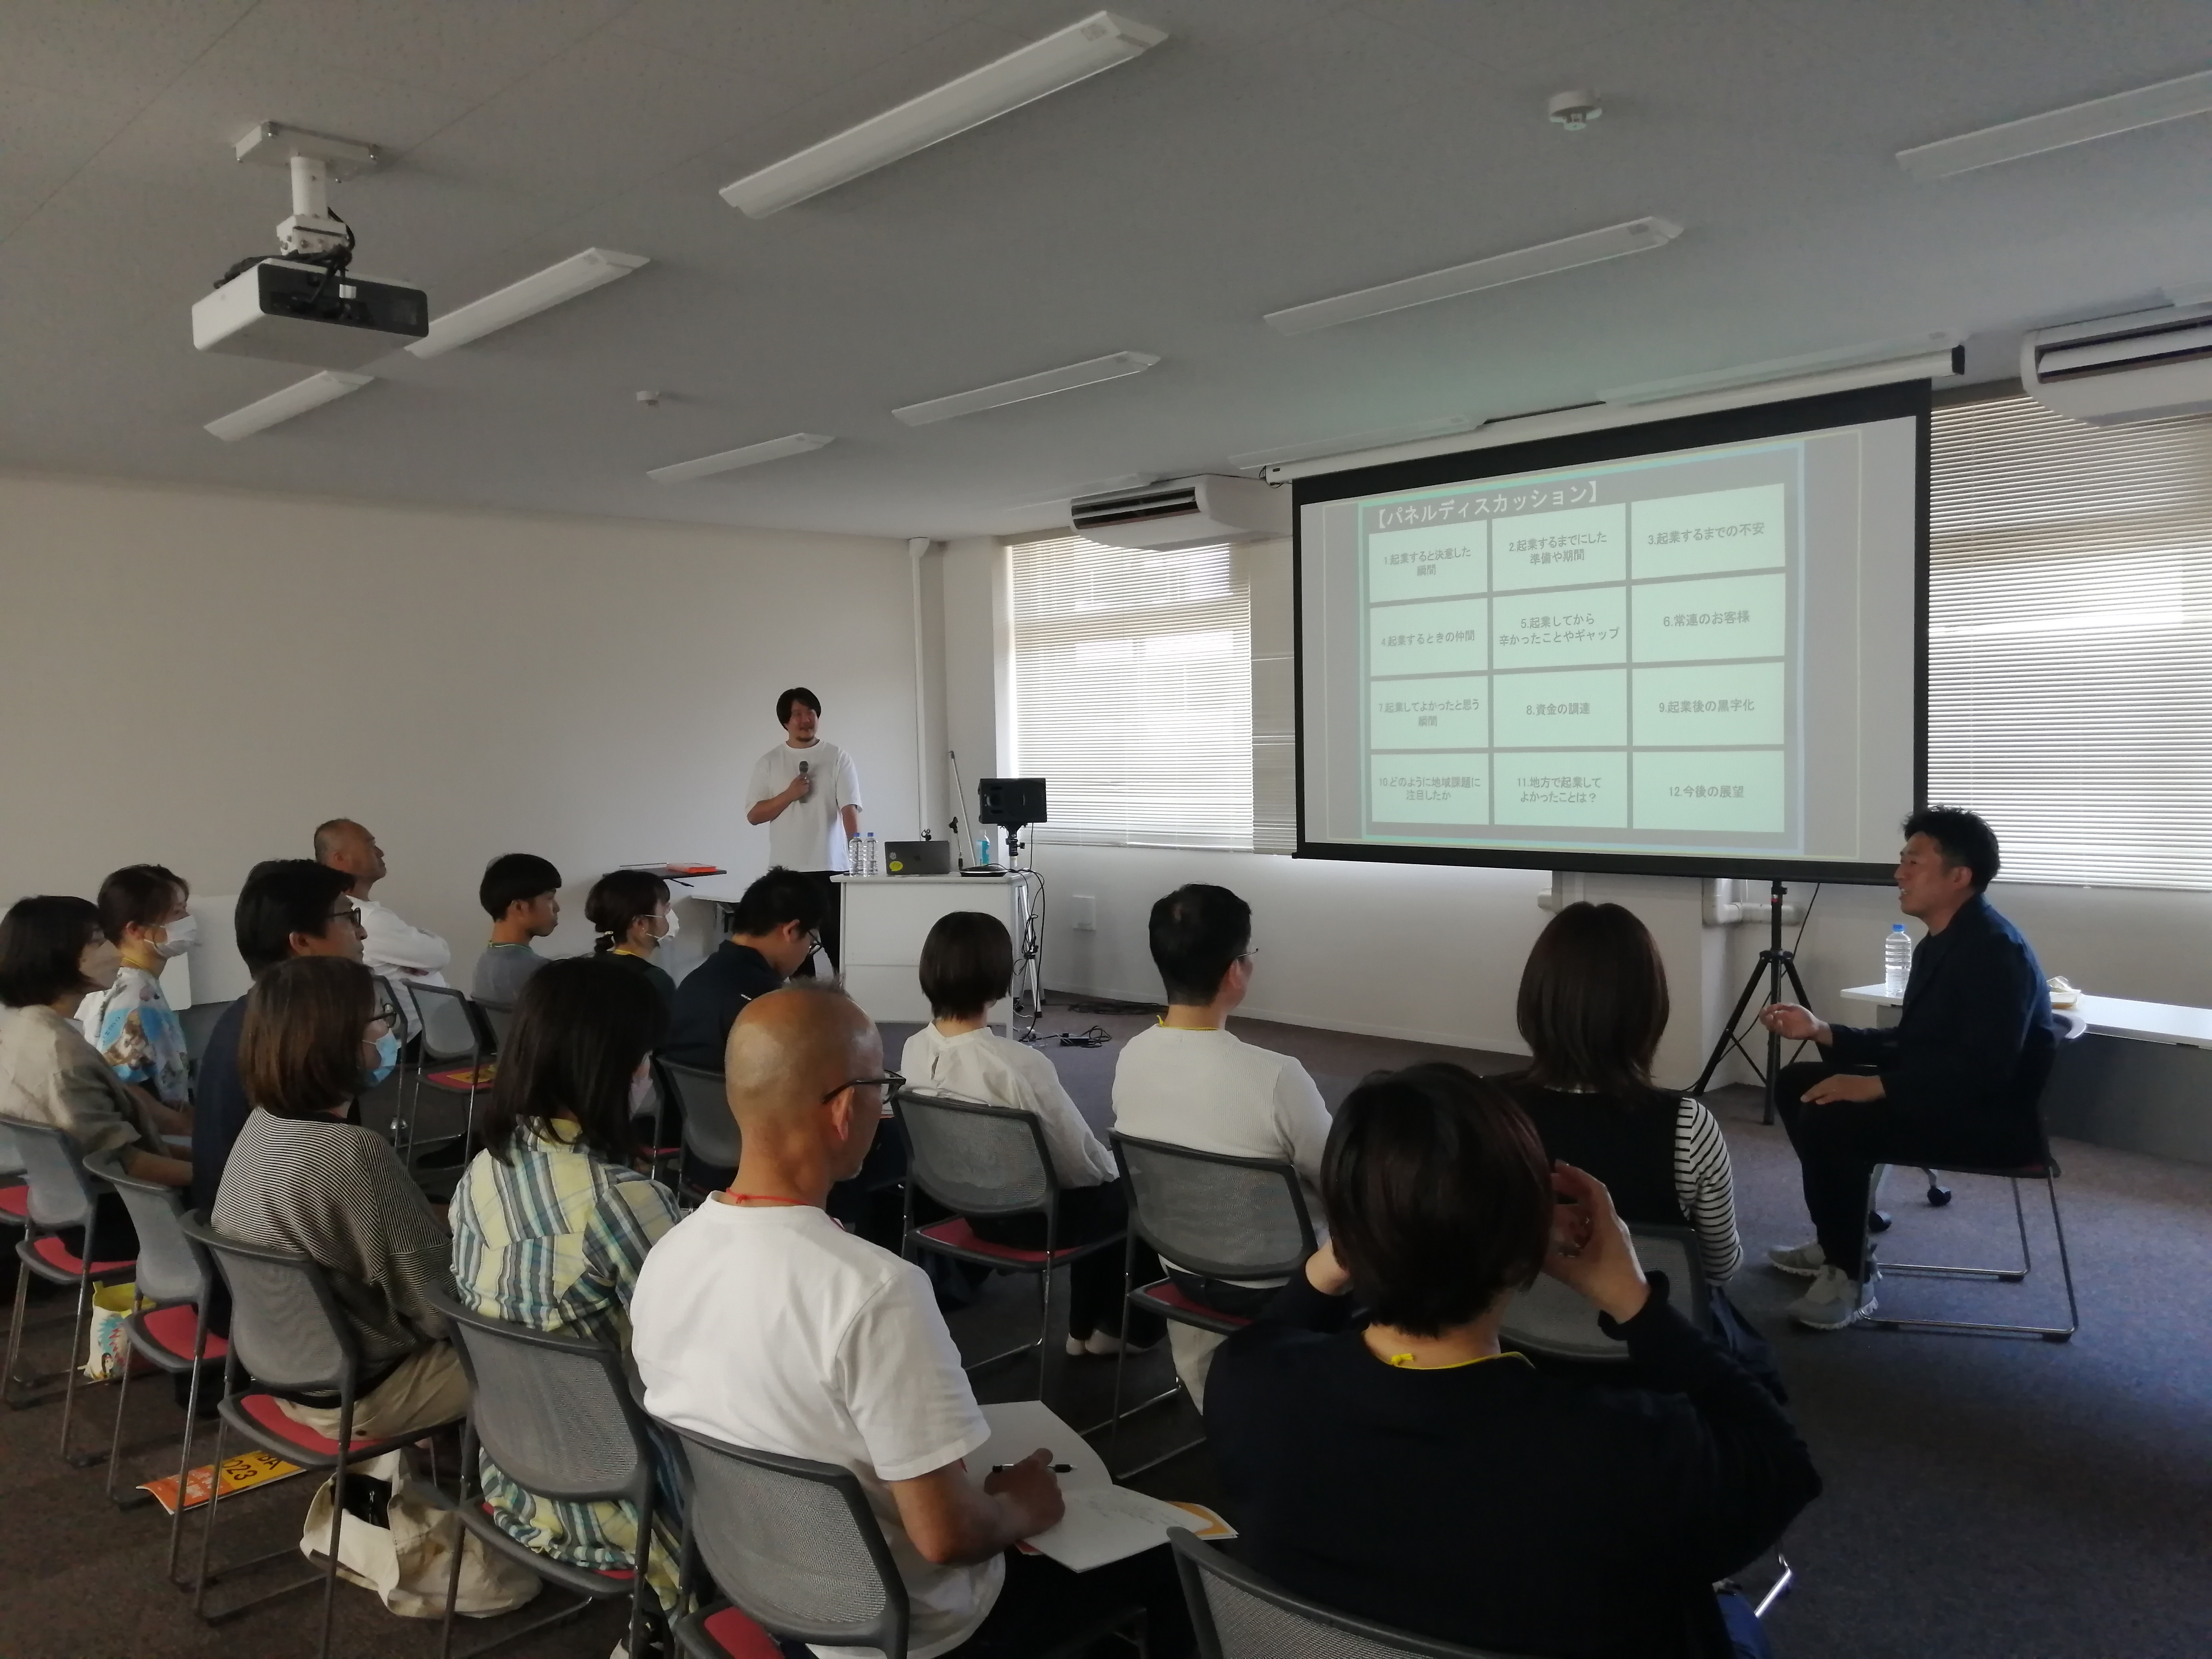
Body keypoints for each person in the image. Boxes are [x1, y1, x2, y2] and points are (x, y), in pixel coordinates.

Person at [631, 985, 1192, 1659]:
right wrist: (1022, 1505)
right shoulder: (875, 1291)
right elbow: (948, 1538)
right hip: (913, 1633)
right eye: (881, 1086)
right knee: (1177, 1562)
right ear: (845, 1109)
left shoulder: (668, 1255)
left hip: (767, 1590)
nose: (884, 1102)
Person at [1207, 1064, 1820, 1659]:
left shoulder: (1248, 1387)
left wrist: (1360, 1235)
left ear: (1345, 1232)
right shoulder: (1623, 1451)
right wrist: (1635, 1303)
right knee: (1730, 1616)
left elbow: (1273, 1334)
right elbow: (1783, 1463)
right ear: (1526, 1249)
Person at [1760, 806, 2062, 1331]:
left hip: (1987, 1122)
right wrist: (1823, 1031)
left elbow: (1985, 1072)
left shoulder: (1996, 952)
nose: (1898, 874)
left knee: (1833, 1116)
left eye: (1913, 863)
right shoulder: (1942, 941)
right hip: (1943, 1097)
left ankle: (1849, 1273)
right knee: (1797, 1084)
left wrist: (1875, 1086)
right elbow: (1912, 1043)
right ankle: (1840, 1239)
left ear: (1958, 876)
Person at [449, 956, 680, 1597]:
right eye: (644, 1057)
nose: (648, 1072)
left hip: (515, 1474)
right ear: (613, 1067)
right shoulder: (621, 1199)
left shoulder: (481, 1173)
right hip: (626, 1500)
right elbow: (703, 1361)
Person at [212, 956, 462, 1441]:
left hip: (287, 1376)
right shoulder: (351, 1152)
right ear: (336, 1041)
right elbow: (439, 1309)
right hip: (367, 1394)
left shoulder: (262, 1124)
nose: (388, 1031)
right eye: (379, 1018)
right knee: (570, 1352)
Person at [901, 911, 1159, 1355]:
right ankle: (1112, 1330)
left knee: (1109, 1190)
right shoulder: (1017, 1064)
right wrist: (1117, 1168)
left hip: (969, 1208)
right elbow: (1078, 1165)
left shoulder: (913, 1049)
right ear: (998, 978)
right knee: (1136, 1187)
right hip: (1035, 1219)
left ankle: (1089, 1328)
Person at [1110, 884, 1331, 1402]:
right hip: (1279, 1284)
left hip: (1180, 1265)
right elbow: (1341, 1181)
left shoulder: (1130, 1056)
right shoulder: (1277, 1077)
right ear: (1236, 972)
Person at [1500, 903, 1743, 1285]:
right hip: (1645, 1321)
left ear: (1535, 998)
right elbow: (1719, 1267)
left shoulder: (1480, 1108)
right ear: (1650, 1009)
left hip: (1511, 1320)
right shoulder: (1688, 1126)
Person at [0, 897, 191, 1259]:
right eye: (99, 941)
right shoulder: (63, 1056)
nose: (114, 951)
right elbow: (127, 1164)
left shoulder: (20, 1028)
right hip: (121, 1220)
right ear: (60, 956)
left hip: (70, 1207)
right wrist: (223, 1176)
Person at [190, 860, 366, 1215]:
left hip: (234, 1229)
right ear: (302, 942)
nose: (361, 933)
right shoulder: (301, 1043)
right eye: (349, 917)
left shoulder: (246, 1015)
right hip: (276, 1234)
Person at [743, 687, 861, 976]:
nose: (806, 720)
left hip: (831, 868)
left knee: (840, 947)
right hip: (787, 872)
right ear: (785, 722)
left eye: (811, 713)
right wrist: (789, 795)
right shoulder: (770, 762)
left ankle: (846, 998)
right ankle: (801, 999)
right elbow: (754, 815)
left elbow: (850, 809)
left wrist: (858, 860)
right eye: (797, 714)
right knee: (794, 951)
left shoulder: (837, 757)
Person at [661, 867, 822, 1071]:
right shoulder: (772, 1004)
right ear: (791, 931)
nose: (807, 951)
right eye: (811, 942)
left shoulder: (692, 983)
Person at [316, 818, 452, 1041]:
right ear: (340, 859)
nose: (380, 852)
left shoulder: (358, 915)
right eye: (370, 845)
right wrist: (422, 941)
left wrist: (418, 948)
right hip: (427, 1036)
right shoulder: (367, 919)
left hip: (434, 1029)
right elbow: (440, 955)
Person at [88, 864, 197, 1112]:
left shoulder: (124, 980)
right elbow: (125, 1087)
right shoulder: (134, 995)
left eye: (185, 909)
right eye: (176, 913)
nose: (187, 920)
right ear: (135, 929)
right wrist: (180, 1125)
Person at [471, 853, 562, 1005]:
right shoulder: (541, 974)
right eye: (550, 898)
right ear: (519, 907)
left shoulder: (484, 964)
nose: (557, 908)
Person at [584, 868, 678, 1011]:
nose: (671, 919)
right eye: (666, 912)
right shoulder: (654, 981)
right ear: (640, 924)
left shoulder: (588, 969)